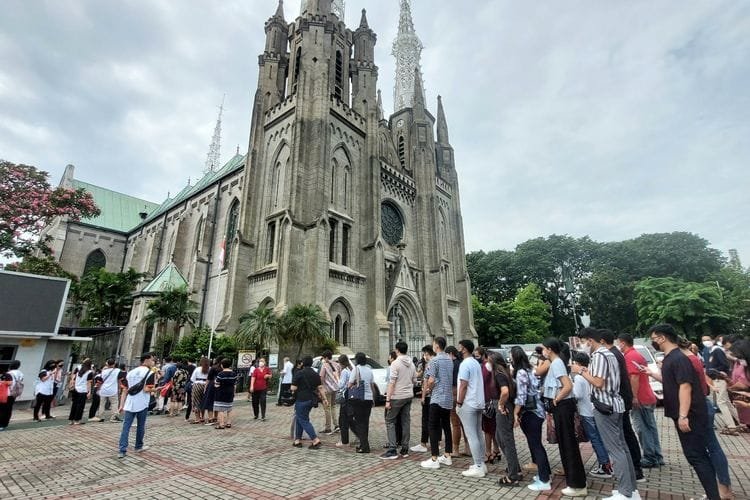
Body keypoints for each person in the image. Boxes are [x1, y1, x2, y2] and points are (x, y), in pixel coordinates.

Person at [649, 324, 720, 500]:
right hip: (685, 414)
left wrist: (683, 415)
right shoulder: (671, 358)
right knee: (696, 456)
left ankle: (714, 496)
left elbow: (685, 386)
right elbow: (673, 383)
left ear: (662, 338)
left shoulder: (678, 358)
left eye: (654, 339)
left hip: (691, 415)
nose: (653, 342)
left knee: (697, 456)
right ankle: (713, 495)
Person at [575, 329, 637, 500]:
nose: (582, 345)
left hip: (606, 407)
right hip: (614, 405)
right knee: (622, 447)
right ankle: (631, 489)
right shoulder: (609, 354)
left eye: (582, 341)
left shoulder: (600, 355)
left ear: (590, 340)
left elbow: (598, 382)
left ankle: (625, 492)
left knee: (615, 450)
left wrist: (580, 371)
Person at [541, 337, 587, 497]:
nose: (543, 352)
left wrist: (556, 399)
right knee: (565, 444)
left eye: (544, 348)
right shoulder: (556, 363)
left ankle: (577, 484)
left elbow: (567, 386)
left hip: (563, 407)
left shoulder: (557, 363)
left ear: (550, 349)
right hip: (560, 408)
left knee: (569, 445)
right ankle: (573, 481)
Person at [600, 329, 645, 483]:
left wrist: (633, 397)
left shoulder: (613, 354)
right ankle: (634, 466)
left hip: (621, 399)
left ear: (601, 341)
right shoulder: (616, 353)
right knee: (625, 432)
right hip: (623, 398)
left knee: (625, 433)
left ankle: (636, 467)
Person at [617, 333, 664, 468]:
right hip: (648, 395)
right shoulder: (638, 355)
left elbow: (634, 378)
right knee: (651, 427)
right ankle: (657, 455)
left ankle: (649, 457)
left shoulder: (629, 357)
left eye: (619, 343)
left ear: (623, 343)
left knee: (642, 428)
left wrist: (634, 396)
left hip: (641, 397)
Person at [511, 347, 551, 491]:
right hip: (538, 411)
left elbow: (521, 397)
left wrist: (515, 413)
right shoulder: (531, 370)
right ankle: (545, 474)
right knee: (537, 444)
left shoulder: (521, 372)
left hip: (530, 413)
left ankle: (544, 480)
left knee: (535, 445)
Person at [570, 351, 612, 479]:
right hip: (595, 410)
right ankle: (607, 464)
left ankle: (604, 466)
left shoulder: (578, 377)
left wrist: (569, 388)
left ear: (577, 363)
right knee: (599, 438)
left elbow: (577, 395)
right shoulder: (590, 373)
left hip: (586, 412)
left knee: (595, 439)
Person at [420, 337, 454, 469]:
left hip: (437, 398)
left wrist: (429, 388)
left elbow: (431, 380)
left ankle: (434, 458)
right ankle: (447, 455)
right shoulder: (449, 359)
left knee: (433, 426)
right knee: (446, 426)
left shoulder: (434, 360)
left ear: (437, 346)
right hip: (448, 398)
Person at [381, 341, 417, 460]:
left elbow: (392, 383)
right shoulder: (411, 363)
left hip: (397, 396)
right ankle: (405, 448)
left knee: (390, 421)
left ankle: (392, 449)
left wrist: (387, 400)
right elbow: (414, 381)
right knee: (405, 421)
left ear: (397, 350)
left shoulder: (395, 364)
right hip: (408, 396)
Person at [117, 352, 157, 458]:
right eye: (152, 359)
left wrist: (121, 405)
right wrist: (156, 389)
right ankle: (138, 446)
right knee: (140, 425)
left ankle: (122, 450)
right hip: (142, 403)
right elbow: (146, 389)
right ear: (146, 360)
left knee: (126, 426)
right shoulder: (149, 373)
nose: (153, 362)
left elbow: (125, 390)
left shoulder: (131, 372)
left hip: (130, 403)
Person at [456, 339, 486, 478]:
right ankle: (481, 463)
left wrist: (459, 403)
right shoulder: (475, 363)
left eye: (460, 347)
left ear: (464, 349)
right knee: (478, 433)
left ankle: (478, 465)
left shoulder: (465, 364)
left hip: (469, 402)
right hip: (479, 401)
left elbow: (463, 385)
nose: (458, 349)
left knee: (471, 435)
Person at [491, 352, 521, 486]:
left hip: (504, 409)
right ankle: (514, 467)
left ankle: (513, 475)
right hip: (506, 407)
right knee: (499, 437)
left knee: (507, 440)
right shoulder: (504, 372)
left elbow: (505, 392)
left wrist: (500, 404)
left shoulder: (499, 374)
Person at [702, 334, 739, 433]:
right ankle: (741, 422)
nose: (706, 342)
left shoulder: (717, 351)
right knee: (726, 401)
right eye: (704, 340)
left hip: (719, 379)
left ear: (713, 340)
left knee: (721, 402)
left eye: (708, 340)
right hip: (716, 378)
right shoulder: (710, 352)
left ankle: (731, 426)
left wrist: (715, 371)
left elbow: (725, 365)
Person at [291, 355, 327, 449]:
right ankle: (297, 440)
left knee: (303, 420)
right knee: (300, 418)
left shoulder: (299, 373)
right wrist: (325, 399)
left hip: (301, 399)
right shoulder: (315, 374)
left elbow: (293, 388)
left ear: (303, 363)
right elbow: (320, 387)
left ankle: (315, 440)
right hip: (311, 400)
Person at [475, 347, 500, 464]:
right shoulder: (492, 366)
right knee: (493, 427)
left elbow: (481, 381)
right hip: (492, 399)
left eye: (477, 356)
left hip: (487, 400)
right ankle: (496, 450)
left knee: (488, 429)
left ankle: (488, 452)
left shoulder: (485, 367)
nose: (476, 358)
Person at [349, 352, 375, 453]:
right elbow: (372, 385)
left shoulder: (356, 369)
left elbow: (350, 384)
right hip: (368, 398)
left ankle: (365, 447)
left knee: (359, 423)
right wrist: (373, 398)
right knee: (365, 422)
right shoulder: (369, 370)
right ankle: (363, 444)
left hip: (359, 398)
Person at [445, 345, 468, 457]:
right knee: (464, 423)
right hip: (464, 395)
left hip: (454, 393)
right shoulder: (462, 363)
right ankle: (468, 448)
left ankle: (456, 450)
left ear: (450, 354)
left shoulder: (452, 365)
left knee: (455, 424)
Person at [410, 346, 433, 454]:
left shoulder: (431, 364)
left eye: (425, 354)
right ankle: (435, 442)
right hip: (435, 396)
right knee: (434, 421)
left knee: (426, 420)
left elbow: (428, 381)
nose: (424, 356)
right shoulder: (428, 364)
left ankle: (424, 443)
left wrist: (424, 395)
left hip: (429, 396)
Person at [335, 354, 356, 448]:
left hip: (345, 397)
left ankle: (345, 441)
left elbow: (340, 385)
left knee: (343, 420)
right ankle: (360, 435)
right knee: (350, 418)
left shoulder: (344, 372)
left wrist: (336, 376)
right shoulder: (351, 369)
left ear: (341, 363)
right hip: (351, 396)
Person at [319, 350, 341, 434]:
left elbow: (321, 377)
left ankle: (328, 427)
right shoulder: (337, 364)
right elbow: (339, 375)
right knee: (333, 406)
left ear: (326, 357)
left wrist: (321, 387)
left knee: (327, 407)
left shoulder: (324, 366)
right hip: (335, 388)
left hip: (327, 389)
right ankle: (336, 425)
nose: (323, 360)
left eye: (324, 358)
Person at [213, 358, 237, 429]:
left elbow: (217, 384)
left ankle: (221, 424)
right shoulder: (234, 374)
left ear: (222, 365)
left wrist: (215, 384)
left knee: (220, 409)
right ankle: (229, 423)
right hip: (230, 392)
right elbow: (235, 384)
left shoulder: (220, 374)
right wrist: (234, 392)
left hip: (221, 393)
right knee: (229, 409)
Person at [69, 359, 93, 425]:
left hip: (76, 389)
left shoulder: (78, 368)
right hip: (83, 390)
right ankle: (77, 420)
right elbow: (89, 383)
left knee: (74, 404)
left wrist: (72, 384)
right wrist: (89, 392)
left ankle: (71, 420)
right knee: (80, 406)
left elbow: (73, 377)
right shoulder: (89, 372)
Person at [250, 357, 272, 421]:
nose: (261, 362)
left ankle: (263, 416)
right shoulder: (256, 370)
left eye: (262, 361)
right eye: (260, 361)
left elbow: (270, 375)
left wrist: (268, 376)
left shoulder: (267, 369)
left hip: (263, 388)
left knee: (263, 401)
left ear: (265, 362)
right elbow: (253, 378)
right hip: (256, 388)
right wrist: (251, 386)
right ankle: (256, 414)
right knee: (255, 402)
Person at [189, 357, 210, 424]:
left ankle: (197, 418)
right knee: (203, 402)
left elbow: (192, 379)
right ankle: (202, 417)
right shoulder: (209, 369)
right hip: (206, 386)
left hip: (197, 385)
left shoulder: (197, 369)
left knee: (196, 402)